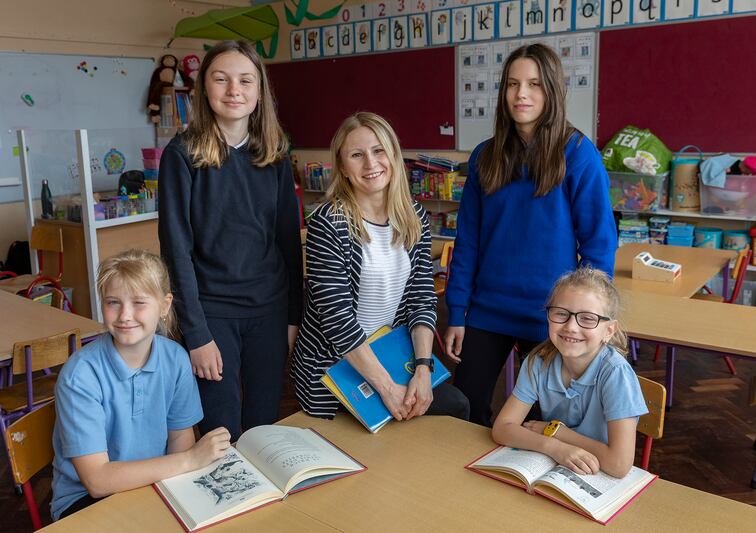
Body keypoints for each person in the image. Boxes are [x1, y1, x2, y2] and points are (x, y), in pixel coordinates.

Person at [444, 43, 617, 426]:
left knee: (542, 421)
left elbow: (598, 246)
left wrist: (587, 318)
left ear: (551, 90)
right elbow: (467, 242)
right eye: (512, 84)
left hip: (551, 318)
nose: (521, 94)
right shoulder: (484, 157)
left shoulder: (577, 153)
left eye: (534, 84)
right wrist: (457, 312)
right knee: (466, 411)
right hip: (487, 311)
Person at [158, 41, 303, 439]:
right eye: (221, 79)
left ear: (259, 92)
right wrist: (197, 333)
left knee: (262, 428)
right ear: (205, 88)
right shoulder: (182, 154)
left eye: (245, 80)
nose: (233, 90)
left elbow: (289, 243)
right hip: (212, 314)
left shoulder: (273, 154)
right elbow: (176, 252)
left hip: (269, 313)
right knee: (219, 432)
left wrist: (293, 316)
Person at [291, 112, 469, 422]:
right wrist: (387, 389)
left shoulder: (414, 217)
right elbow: (338, 321)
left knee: (454, 406)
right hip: (336, 367)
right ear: (343, 168)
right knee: (370, 450)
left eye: (378, 151)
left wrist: (423, 369)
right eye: (357, 155)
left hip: (390, 355)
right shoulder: (328, 224)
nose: (371, 164)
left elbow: (421, 299)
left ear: (393, 155)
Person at [51, 250, 231, 520]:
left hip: (154, 484)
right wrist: (190, 460)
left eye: (139, 302)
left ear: (165, 306)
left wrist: (185, 466)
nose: (125, 315)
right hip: (84, 502)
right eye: (113, 302)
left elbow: (179, 439)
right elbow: (97, 481)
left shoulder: (176, 359)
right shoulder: (80, 375)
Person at [492, 267, 647, 478]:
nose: (571, 327)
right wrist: (554, 447)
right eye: (561, 314)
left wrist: (557, 432)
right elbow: (502, 428)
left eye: (588, 318)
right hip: (558, 466)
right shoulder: (538, 361)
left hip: (602, 475)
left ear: (608, 331)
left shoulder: (615, 374)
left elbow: (619, 465)